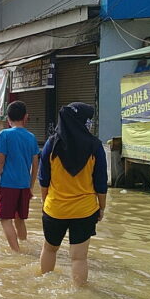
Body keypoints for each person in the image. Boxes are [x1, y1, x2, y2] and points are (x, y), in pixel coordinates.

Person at [38, 102, 107, 286]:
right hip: (84, 211)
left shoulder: (51, 144)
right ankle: (79, 296)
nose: (90, 124)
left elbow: (44, 180)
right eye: (88, 120)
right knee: (78, 259)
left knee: (50, 250)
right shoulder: (95, 147)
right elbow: (101, 183)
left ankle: (44, 285)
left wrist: (45, 202)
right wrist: (102, 208)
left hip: (55, 210)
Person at [0, 101, 40, 253]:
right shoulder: (31, 137)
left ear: (8, 118)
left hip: (7, 184)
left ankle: (17, 252)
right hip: (24, 185)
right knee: (20, 219)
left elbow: (0, 161)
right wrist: (31, 187)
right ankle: (25, 245)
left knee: (5, 219)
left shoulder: (4, 135)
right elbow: (35, 165)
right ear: (26, 117)